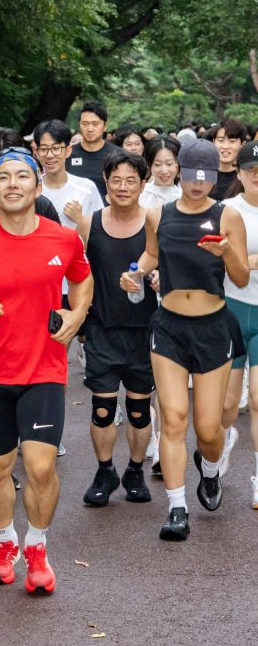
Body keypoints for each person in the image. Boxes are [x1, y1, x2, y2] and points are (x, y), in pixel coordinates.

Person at [0, 149, 92, 594]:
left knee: (40, 466)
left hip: (44, 369)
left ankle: (38, 547)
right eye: (2, 177)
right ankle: (5, 543)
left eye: (21, 176)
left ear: (37, 186)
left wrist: (77, 315)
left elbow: (83, 280)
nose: (12, 184)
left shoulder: (63, 239)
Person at [120, 139, 248, 540]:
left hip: (212, 328)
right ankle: (177, 507)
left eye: (206, 176)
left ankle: (209, 469)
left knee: (209, 430)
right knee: (173, 418)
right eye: (190, 175)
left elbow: (242, 277)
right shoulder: (159, 215)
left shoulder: (228, 216)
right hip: (169, 327)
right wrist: (134, 273)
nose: (197, 184)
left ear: (215, 177)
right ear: (178, 172)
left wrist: (227, 251)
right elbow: (151, 256)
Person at [74, 151, 157, 507]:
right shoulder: (89, 223)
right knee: (103, 409)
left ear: (143, 184)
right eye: (116, 180)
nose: (123, 187)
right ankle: (105, 470)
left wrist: (155, 278)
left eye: (130, 181)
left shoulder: (154, 221)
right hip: (103, 329)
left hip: (145, 332)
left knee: (139, 410)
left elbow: (165, 267)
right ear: (105, 183)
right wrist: (79, 318)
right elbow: (78, 276)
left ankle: (135, 471)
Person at [219, 140, 258, 507]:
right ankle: (220, 447)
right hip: (231, 309)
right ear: (240, 173)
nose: (257, 176)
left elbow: (237, 259)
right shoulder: (227, 210)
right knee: (228, 404)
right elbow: (222, 259)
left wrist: (242, 257)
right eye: (251, 170)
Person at [66, 100, 121, 199]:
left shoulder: (119, 155)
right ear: (79, 124)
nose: (90, 129)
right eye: (85, 124)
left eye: (95, 124)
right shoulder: (67, 154)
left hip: (107, 212)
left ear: (105, 126)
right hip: (72, 210)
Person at [211, 118, 248, 201]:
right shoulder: (205, 174)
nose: (225, 146)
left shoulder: (247, 178)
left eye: (232, 141)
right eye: (221, 140)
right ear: (213, 142)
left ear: (243, 144)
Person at [140, 137, 181, 209]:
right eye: (157, 164)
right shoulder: (140, 195)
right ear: (149, 165)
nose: (164, 171)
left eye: (169, 164)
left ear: (177, 164)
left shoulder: (184, 196)